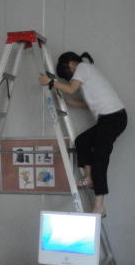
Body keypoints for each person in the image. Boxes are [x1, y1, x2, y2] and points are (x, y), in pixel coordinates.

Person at [39, 51, 127, 217]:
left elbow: (71, 88)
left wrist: (51, 82)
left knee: (100, 157)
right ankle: (89, 177)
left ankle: (99, 206)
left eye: (68, 73)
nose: (71, 76)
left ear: (71, 63)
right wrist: (65, 100)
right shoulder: (88, 74)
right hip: (108, 119)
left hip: (114, 118)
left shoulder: (83, 67)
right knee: (82, 141)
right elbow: (87, 103)